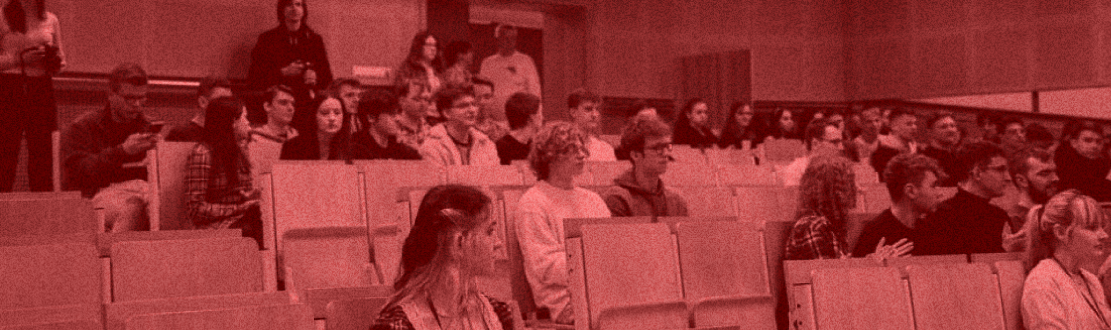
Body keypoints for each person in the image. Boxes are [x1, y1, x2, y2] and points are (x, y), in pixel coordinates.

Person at [370, 185, 514, 330]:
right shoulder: (396, 325)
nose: (498, 243)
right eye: (489, 232)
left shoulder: (499, 313)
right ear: (458, 243)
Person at [516, 121, 610, 324]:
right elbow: (544, 266)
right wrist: (596, 267)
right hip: (564, 302)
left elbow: (611, 250)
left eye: (582, 148)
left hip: (602, 290)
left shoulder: (593, 199)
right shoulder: (533, 203)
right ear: (549, 156)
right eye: (571, 149)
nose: (582, 155)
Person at [61, 63, 156, 232]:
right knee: (135, 208)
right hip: (97, 193)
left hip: (142, 190)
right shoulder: (84, 126)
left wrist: (160, 157)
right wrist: (122, 152)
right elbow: (77, 173)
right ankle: (117, 256)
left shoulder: (147, 125)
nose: (137, 104)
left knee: (167, 204)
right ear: (111, 95)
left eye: (142, 98)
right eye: (129, 98)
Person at [785, 155, 908, 260]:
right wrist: (872, 263)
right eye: (851, 181)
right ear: (835, 189)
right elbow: (830, 280)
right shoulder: (812, 226)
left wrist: (872, 260)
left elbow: (840, 268)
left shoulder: (830, 225)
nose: (859, 188)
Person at [1021, 190, 1111, 330]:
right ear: (1061, 233)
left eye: (1102, 227)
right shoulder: (1042, 281)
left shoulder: (1090, 279)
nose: (1104, 235)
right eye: (1092, 228)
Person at [0, 0, 65, 192]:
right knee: (5, 150)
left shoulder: (50, 19)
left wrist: (52, 61)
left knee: (44, 152)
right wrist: (18, 59)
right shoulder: (2, 16)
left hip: (41, 86)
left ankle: (42, 208)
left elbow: (62, 60)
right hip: (9, 85)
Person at [184, 96, 262, 246]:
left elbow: (237, 196)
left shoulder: (238, 151)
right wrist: (239, 208)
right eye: (244, 117)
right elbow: (196, 210)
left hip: (239, 220)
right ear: (232, 122)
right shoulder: (203, 153)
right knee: (256, 229)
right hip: (215, 227)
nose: (248, 123)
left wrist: (249, 197)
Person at [916, 141, 1012, 255]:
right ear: (977, 173)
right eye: (1000, 170)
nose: (1008, 178)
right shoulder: (941, 217)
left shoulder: (999, 215)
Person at [852, 154, 945, 258]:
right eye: (933, 186)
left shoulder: (934, 230)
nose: (940, 193)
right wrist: (879, 267)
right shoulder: (873, 233)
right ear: (910, 191)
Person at [247, 0, 332, 108]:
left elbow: (327, 78)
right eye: (289, 4)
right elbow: (254, 78)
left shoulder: (314, 40)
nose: (294, 8)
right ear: (282, 9)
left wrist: (315, 78)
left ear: (303, 10)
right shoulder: (267, 40)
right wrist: (283, 72)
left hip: (307, 102)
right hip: (278, 102)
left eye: (298, 4)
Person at [602, 118, 689, 218]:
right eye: (657, 148)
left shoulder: (677, 200)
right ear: (635, 155)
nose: (666, 153)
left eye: (667, 146)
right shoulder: (618, 198)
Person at [418, 86, 499, 166]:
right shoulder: (432, 146)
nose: (472, 110)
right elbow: (438, 178)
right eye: (463, 106)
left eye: (474, 104)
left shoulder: (486, 144)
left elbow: (494, 177)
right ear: (447, 113)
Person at [479, 24, 541, 120]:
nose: (509, 41)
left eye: (513, 38)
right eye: (505, 37)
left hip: (519, 119)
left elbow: (535, 92)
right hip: (494, 120)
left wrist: (538, 118)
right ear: (498, 39)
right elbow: (482, 92)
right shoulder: (487, 63)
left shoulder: (525, 61)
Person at [1003, 147, 1059, 252]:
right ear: (1022, 180)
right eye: (1044, 174)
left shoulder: (1061, 216)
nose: (1055, 178)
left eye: (1054, 172)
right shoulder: (1012, 221)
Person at [350, 88, 421, 160]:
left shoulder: (401, 150)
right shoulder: (354, 149)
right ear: (371, 118)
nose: (398, 119)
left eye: (398, 113)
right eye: (391, 114)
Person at [280, 93, 353, 160]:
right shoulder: (292, 147)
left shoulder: (356, 151)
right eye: (325, 113)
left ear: (344, 117)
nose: (332, 118)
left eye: (337, 113)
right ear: (314, 117)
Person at [1054, 120, 1111, 201]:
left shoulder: (1103, 165)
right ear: (1074, 143)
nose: (1094, 146)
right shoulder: (1064, 166)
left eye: (1098, 142)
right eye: (1087, 140)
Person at [165, 76, 234, 142]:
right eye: (221, 100)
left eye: (229, 101)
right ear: (202, 102)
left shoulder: (227, 136)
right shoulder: (180, 134)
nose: (227, 105)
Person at [779, 118, 844, 187]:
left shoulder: (839, 170)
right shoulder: (795, 170)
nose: (841, 148)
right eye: (835, 142)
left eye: (841, 142)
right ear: (815, 144)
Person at [567, 88, 615, 161]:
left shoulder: (605, 149)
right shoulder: (562, 148)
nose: (594, 114)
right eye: (588, 109)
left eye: (597, 109)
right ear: (573, 112)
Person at [395, 31, 443, 102]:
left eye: (435, 45)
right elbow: (400, 89)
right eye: (429, 45)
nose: (433, 49)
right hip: (416, 109)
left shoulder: (439, 69)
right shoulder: (409, 67)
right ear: (419, 47)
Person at [870, 108, 918, 177]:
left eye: (914, 123)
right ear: (894, 126)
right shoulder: (882, 151)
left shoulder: (914, 148)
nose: (914, 127)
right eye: (909, 124)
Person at [496, 92, 542, 165]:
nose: (543, 117)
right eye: (540, 113)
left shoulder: (536, 146)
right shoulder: (501, 147)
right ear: (531, 117)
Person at [917, 112, 961, 187]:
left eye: (953, 126)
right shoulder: (924, 158)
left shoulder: (958, 156)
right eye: (943, 127)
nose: (950, 130)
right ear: (930, 132)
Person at [395, 79, 432, 151]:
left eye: (426, 99)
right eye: (416, 99)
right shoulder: (391, 128)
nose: (423, 104)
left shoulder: (431, 131)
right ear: (402, 101)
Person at [473, 78, 509, 142]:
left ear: (492, 99)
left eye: (487, 97)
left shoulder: (503, 132)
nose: (482, 102)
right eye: (477, 98)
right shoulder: (465, 132)